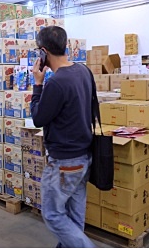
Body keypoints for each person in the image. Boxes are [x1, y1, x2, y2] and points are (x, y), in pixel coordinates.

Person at [30, 26, 96, 249]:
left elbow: (38, 118)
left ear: (43, 51)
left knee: (53, 215)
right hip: (84, 156)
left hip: (65, 162)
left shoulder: (56, 83)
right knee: (75, 216)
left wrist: (38, 84)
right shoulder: (83, 71)